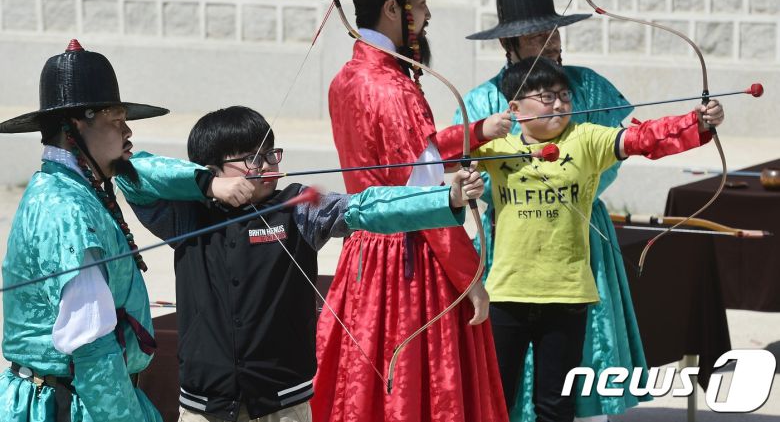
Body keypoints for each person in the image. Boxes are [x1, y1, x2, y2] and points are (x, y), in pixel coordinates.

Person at [116, 106, 487, 422]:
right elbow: (131, 174)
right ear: (213, 168)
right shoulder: (187, 214)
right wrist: (207, 186)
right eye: (251, 159)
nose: (266, 165)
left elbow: (365, 207)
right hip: (204, 405)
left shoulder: (298, 206)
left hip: (284, 402)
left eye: (270, 154)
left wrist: (446, 197)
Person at [311, 0, 512, 421]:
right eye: (420, 4)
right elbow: (423, 199)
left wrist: (479, 130)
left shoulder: (347, 78)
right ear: (391, 8)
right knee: (421, 391)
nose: (426, 16)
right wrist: (470, 277)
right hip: (410, 263)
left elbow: (400, 159)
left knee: (368, 388)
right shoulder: (395, 88)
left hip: (364, 252)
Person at [474, 57, 724, 422]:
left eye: (565, 96)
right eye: (546, 97)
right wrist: (480, 130)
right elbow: (440, 155)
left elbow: (642, 138)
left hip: (566, 296)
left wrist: (695, 121)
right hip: (507, 295)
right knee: (494, 404)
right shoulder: (497, 150)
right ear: (515, 108)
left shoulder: (587, 138)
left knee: (555, 407)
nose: (559, 105)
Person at [454, 0, 650, 421]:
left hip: (579, 230)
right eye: (536, 35)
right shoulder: (485, 100)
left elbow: (612, 153)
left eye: (553, 31)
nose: (551, 42)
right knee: (502, 375)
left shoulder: (585, 84)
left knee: (568, 372)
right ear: (510, 44)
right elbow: (466, 160)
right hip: (512, 235)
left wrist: (571, 188)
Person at [0, 40, 168, 421]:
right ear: (77, 124)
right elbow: (91, 345)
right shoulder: (66, 209)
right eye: (115, 120)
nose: (127, 132)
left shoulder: (74, 191)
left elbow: (155, 169)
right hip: (71, 404)